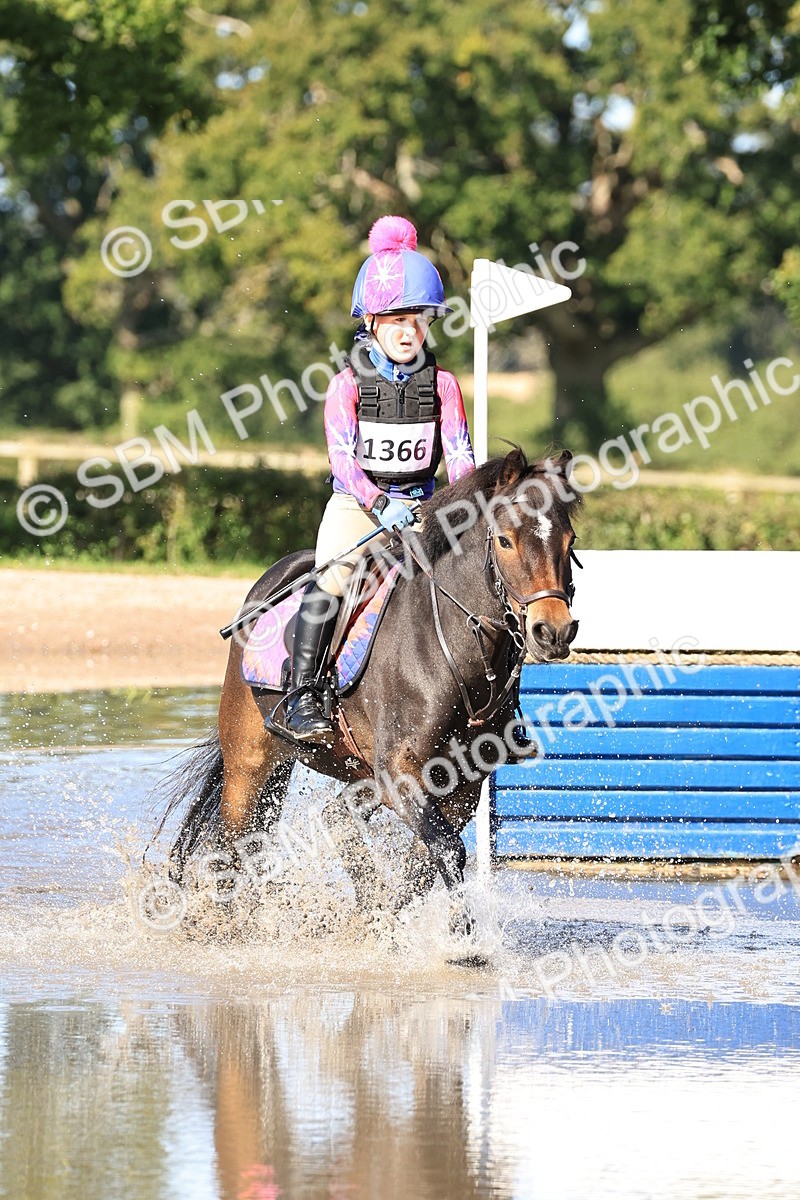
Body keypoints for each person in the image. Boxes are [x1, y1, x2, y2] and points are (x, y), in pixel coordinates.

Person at [286, 215, 476, 743]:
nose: (409, 331)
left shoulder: (444, 385)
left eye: (418, 320)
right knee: (334, 574)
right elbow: (342, 461)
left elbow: (459, 455)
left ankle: (496, 705)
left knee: (480, 578)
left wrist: (468, 503)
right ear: (370, 321)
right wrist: (377, 502)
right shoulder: (345, 386)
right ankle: (303, 692)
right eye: (397, 319)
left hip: (424, 505)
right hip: (359, 506)